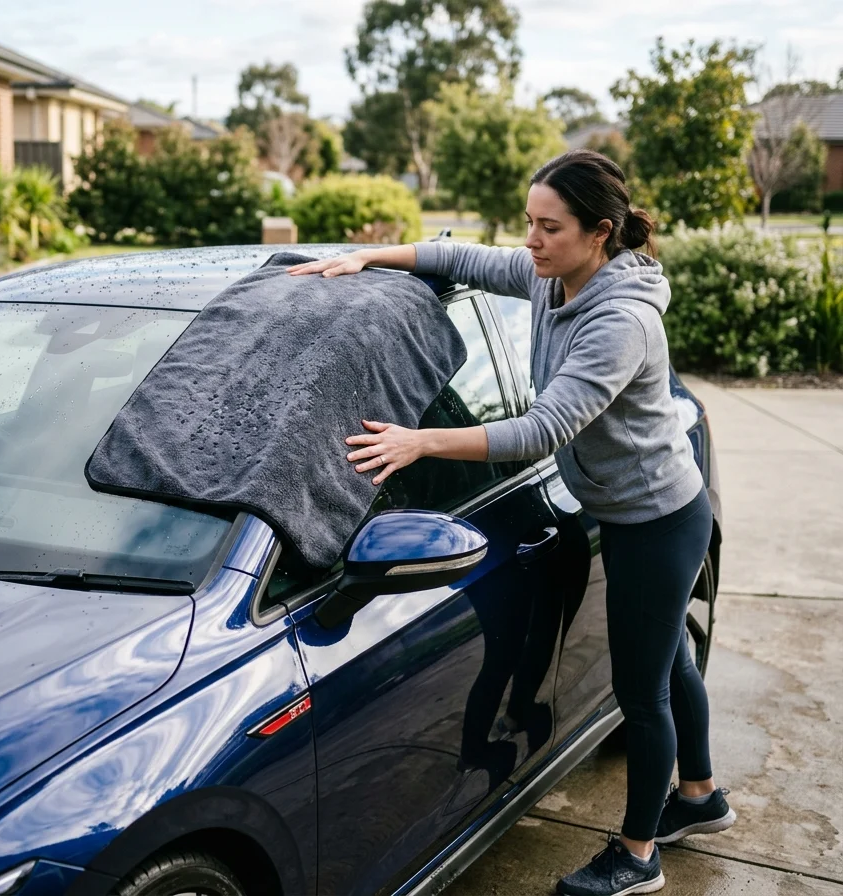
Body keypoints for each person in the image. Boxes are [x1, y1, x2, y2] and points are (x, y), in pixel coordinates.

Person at [288, 149, 736, 896]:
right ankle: (701, 797)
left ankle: (638, 856)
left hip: (658, 520)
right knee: (670, 664)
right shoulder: (550, 274)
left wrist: (421, 441)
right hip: (632, 510)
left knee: (643, 690)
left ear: (599, 233)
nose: (531, 240)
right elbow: (461, 256)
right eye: (529, 222)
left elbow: (541, 429)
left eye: (549, 227)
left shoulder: (620, 322)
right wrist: (368, 256)